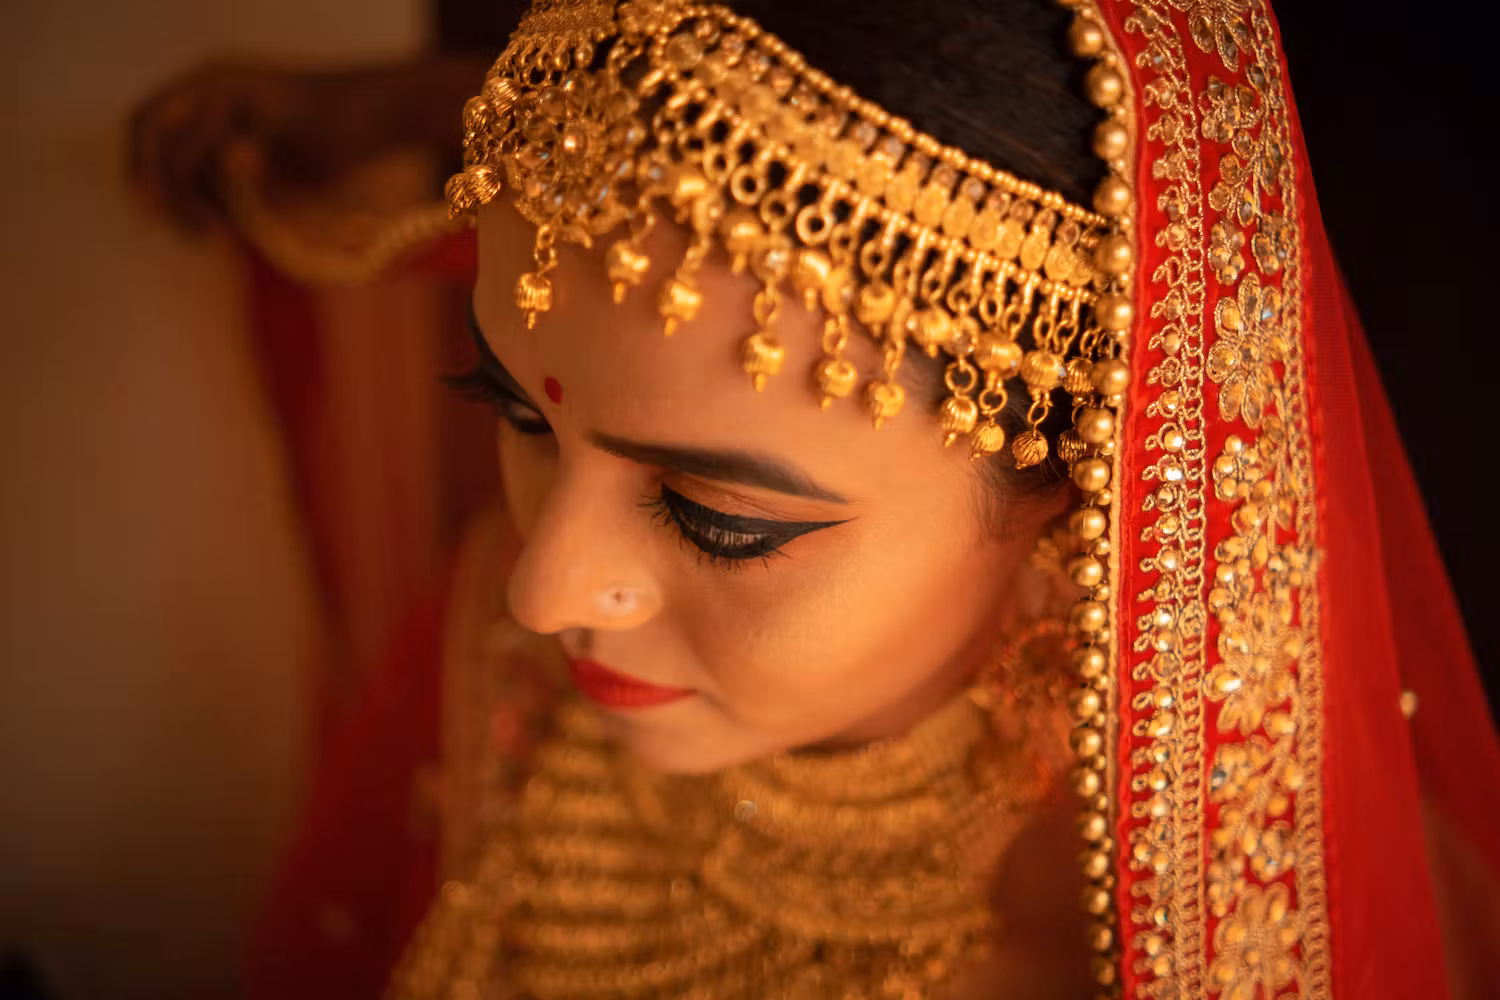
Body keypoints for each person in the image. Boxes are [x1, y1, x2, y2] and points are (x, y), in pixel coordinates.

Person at [130, 0, 1500, 997]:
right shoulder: (508, 682)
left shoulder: (1191, 950)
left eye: (723, 520)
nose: (541, 589)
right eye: (517, 415)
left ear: (1076, 506)